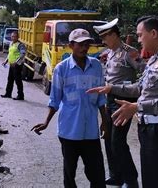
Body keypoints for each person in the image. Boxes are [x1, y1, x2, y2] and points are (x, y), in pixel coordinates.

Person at [87, 15, 158, 188]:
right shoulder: (156, 59)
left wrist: (136, 106)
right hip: (148, 128)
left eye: (141, 35)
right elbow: (140, 88)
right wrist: (112, 88)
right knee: (150, 179)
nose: (139, 39)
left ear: (154, 33)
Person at [32, 28, 108, 188]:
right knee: (69, 174)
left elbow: (101, 96)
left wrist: (105, 120)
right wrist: (46, 122)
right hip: (69, 132)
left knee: (97, 175)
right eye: (80, 44)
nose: (84, 47)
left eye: (86, 44)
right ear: (71, 45)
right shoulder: (61, 69)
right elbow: (55, 99)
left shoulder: (96, 66)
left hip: (91, 132)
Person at [93, 18, 143, 188]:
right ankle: (116, 175)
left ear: (114, 35)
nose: (103, 40)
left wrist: (122, 88)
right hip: (110, 100)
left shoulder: (130, 52)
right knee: (108, 137)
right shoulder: (110, 53)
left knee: (118, 142)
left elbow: (145, 74)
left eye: (105, 37)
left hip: (124, 101)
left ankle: (131, 180)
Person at [1, 31, 26, 100]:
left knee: (18, 81)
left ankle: (20, 95)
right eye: (12, 36)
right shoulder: (11, 44)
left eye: (15, 36)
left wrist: (16, 62)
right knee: (10, 80)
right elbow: (10, 54)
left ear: (18, 37)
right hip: (11, 65)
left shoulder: (20, 45)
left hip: (17, 65)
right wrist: (5, 61)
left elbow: (22, 54)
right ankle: (8, 93)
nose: (13, 38)